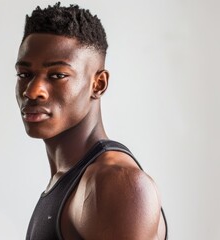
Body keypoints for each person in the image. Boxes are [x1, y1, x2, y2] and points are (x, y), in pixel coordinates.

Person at [15, 3, 168, 240]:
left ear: (98, 84)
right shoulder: (67, 180)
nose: (33, 91)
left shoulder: (115, 182)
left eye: (58, 75)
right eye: (25, 75)